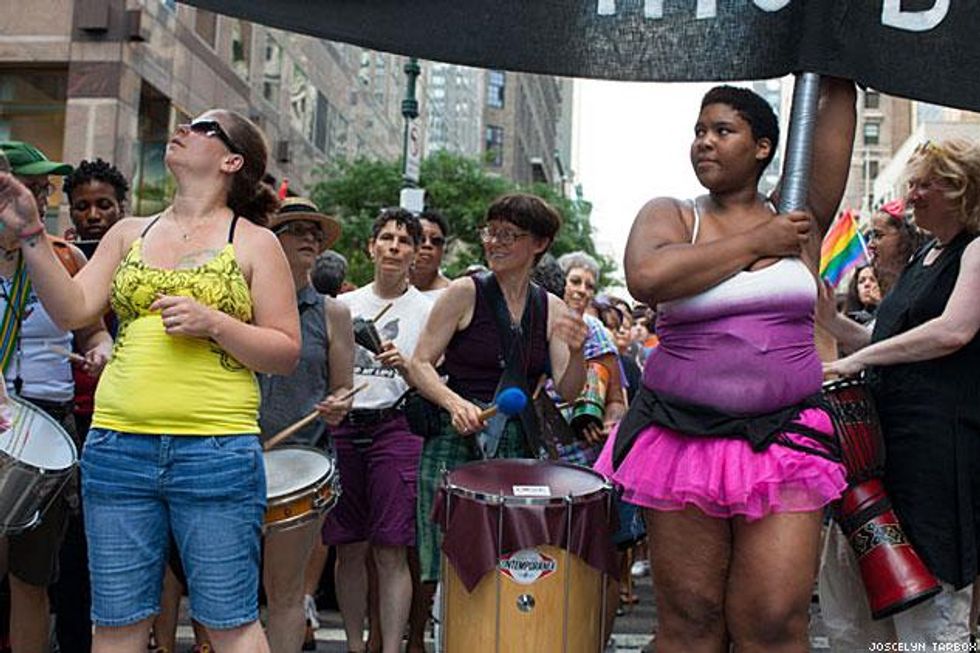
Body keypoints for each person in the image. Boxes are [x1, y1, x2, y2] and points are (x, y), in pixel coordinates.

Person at [0, 109, 300, 653]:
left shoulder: (255, 242)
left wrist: (216, 323)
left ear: (232, 160)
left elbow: (284, 351)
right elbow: (72, 310)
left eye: (205, 126)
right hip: (117, 447)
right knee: (115, 624)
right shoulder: (128, 232)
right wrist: (30, 234)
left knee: (230, 622)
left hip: (216, 448)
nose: (184, 127)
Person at [593, 80, 856, 653]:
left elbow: (838, 108)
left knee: (774, 619)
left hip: (785, 440)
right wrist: (759, 240)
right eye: (698, 131)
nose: (703, 143)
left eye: (722, 130)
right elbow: (648, 277)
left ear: (764, 147)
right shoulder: (670, 214)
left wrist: (836, 43)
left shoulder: (800, 217)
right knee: (692, 621)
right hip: (682, 439)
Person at [823, 138, 980, 645]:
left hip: (935, 462)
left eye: (922, 184)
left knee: (930, 616)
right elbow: (886, 338)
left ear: (960, 188)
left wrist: (857, 360)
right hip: (882, 460)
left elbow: (952, 331)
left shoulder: (976, 250)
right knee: (859, 613)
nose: (911, 196)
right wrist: (831, 321)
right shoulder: (927, 255)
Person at [409, 192, 588, 600]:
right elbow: (420, 364)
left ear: (539, 244)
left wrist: (576, 350)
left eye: (509, 235)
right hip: (456, 436)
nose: (495, 242)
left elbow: (570, 388)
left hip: (516, 443)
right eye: (491, 232)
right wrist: (455, 403)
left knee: (508, 565)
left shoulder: (554, 309)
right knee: (447, 563)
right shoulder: (464, 292)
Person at [0, 140, 113, 653]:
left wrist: (101, 349)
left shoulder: (64, 258)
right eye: (34, 187)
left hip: (47, 427)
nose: (42, 200)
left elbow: (92, 332)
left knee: (33, 576)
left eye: (45, 190)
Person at [322, 208, 431, 653]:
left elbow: (436, 380)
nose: (393, 247)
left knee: (390, 548)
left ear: (415, 254)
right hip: (345, 428)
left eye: (404, 241)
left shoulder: (429, 310)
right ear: (370, 247)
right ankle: (352, 644)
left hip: (397, 426)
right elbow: (326, 372)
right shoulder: (343, 307)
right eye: (385, 238)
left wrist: (406, 367)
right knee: (348, 546)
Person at [260, 196, 354, 653]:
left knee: (287, 591)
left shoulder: (333, 313)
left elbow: (342, 388)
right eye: (298, 228)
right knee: (224, 589)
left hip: (301, 464)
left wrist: (337, 404)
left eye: (316, 232)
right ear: (271, 239)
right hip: (234, 454)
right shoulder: (241, 302)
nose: (311, 238)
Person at [48, 157, 130, 653]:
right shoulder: (57, 258)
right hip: (68, 413)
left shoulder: (142, 259)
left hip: (121, 416)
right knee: (70, 547)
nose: (93, 215)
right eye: (83, 207)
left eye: (104, 205)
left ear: (123, 206)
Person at [410, 209, 451, 294]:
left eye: (436, 241)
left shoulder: (455, 295)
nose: (427, 245)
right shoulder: (389, 292)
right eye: (420, 239)